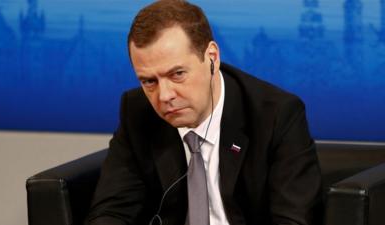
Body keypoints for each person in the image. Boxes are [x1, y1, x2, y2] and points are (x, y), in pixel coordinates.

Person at [86, 0, 322, 225]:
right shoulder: (137, 111)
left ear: (212, 58)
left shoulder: (276, 115)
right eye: (149, 81)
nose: (164, 95)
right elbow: (112, 210)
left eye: (177, 74)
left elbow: (292, 219)